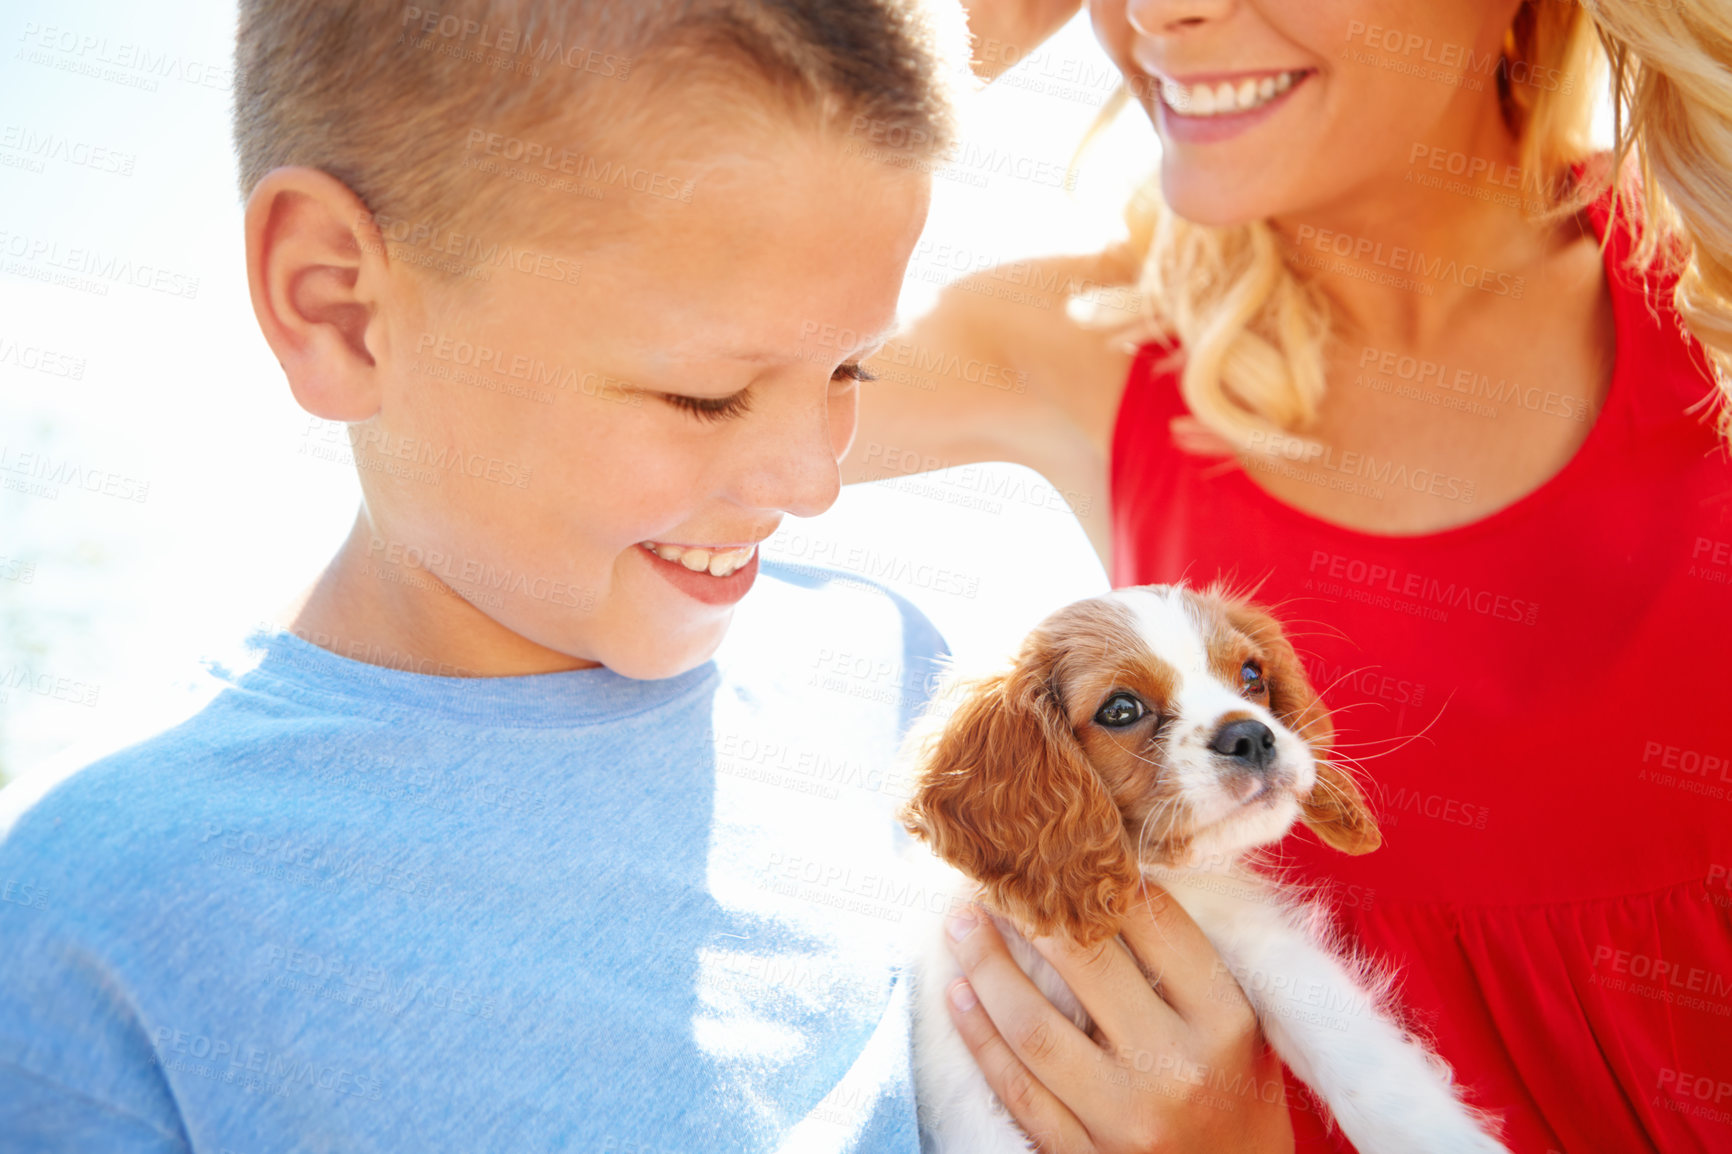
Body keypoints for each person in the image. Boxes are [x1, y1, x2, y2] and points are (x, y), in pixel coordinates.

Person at [0, 2, 969, 1150]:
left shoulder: (908, 694)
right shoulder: (100, 907)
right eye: (703, 394)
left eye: (851, 366)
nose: (814, 480)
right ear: (340, 307)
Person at [850, 0, 1732, 1150]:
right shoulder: (1068, 340)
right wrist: (935, 32)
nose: (1161, 10)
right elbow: (591, 296)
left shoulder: (1705, 266)